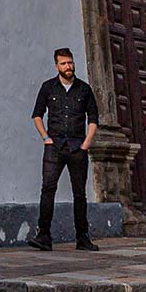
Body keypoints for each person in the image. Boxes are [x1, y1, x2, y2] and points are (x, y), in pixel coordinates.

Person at [29, 46, 100, 252]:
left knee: (79, 194)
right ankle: (43, 235)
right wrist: (45, 137)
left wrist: (87, 142)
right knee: (48, 189)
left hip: (78, 147)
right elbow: (37, 114)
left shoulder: (84, 89)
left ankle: (82, 238)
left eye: (70, 62)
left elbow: (93, 118)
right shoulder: (48, 87)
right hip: (55, 147)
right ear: (56, 66)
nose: (68, 66)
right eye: (63, 63)